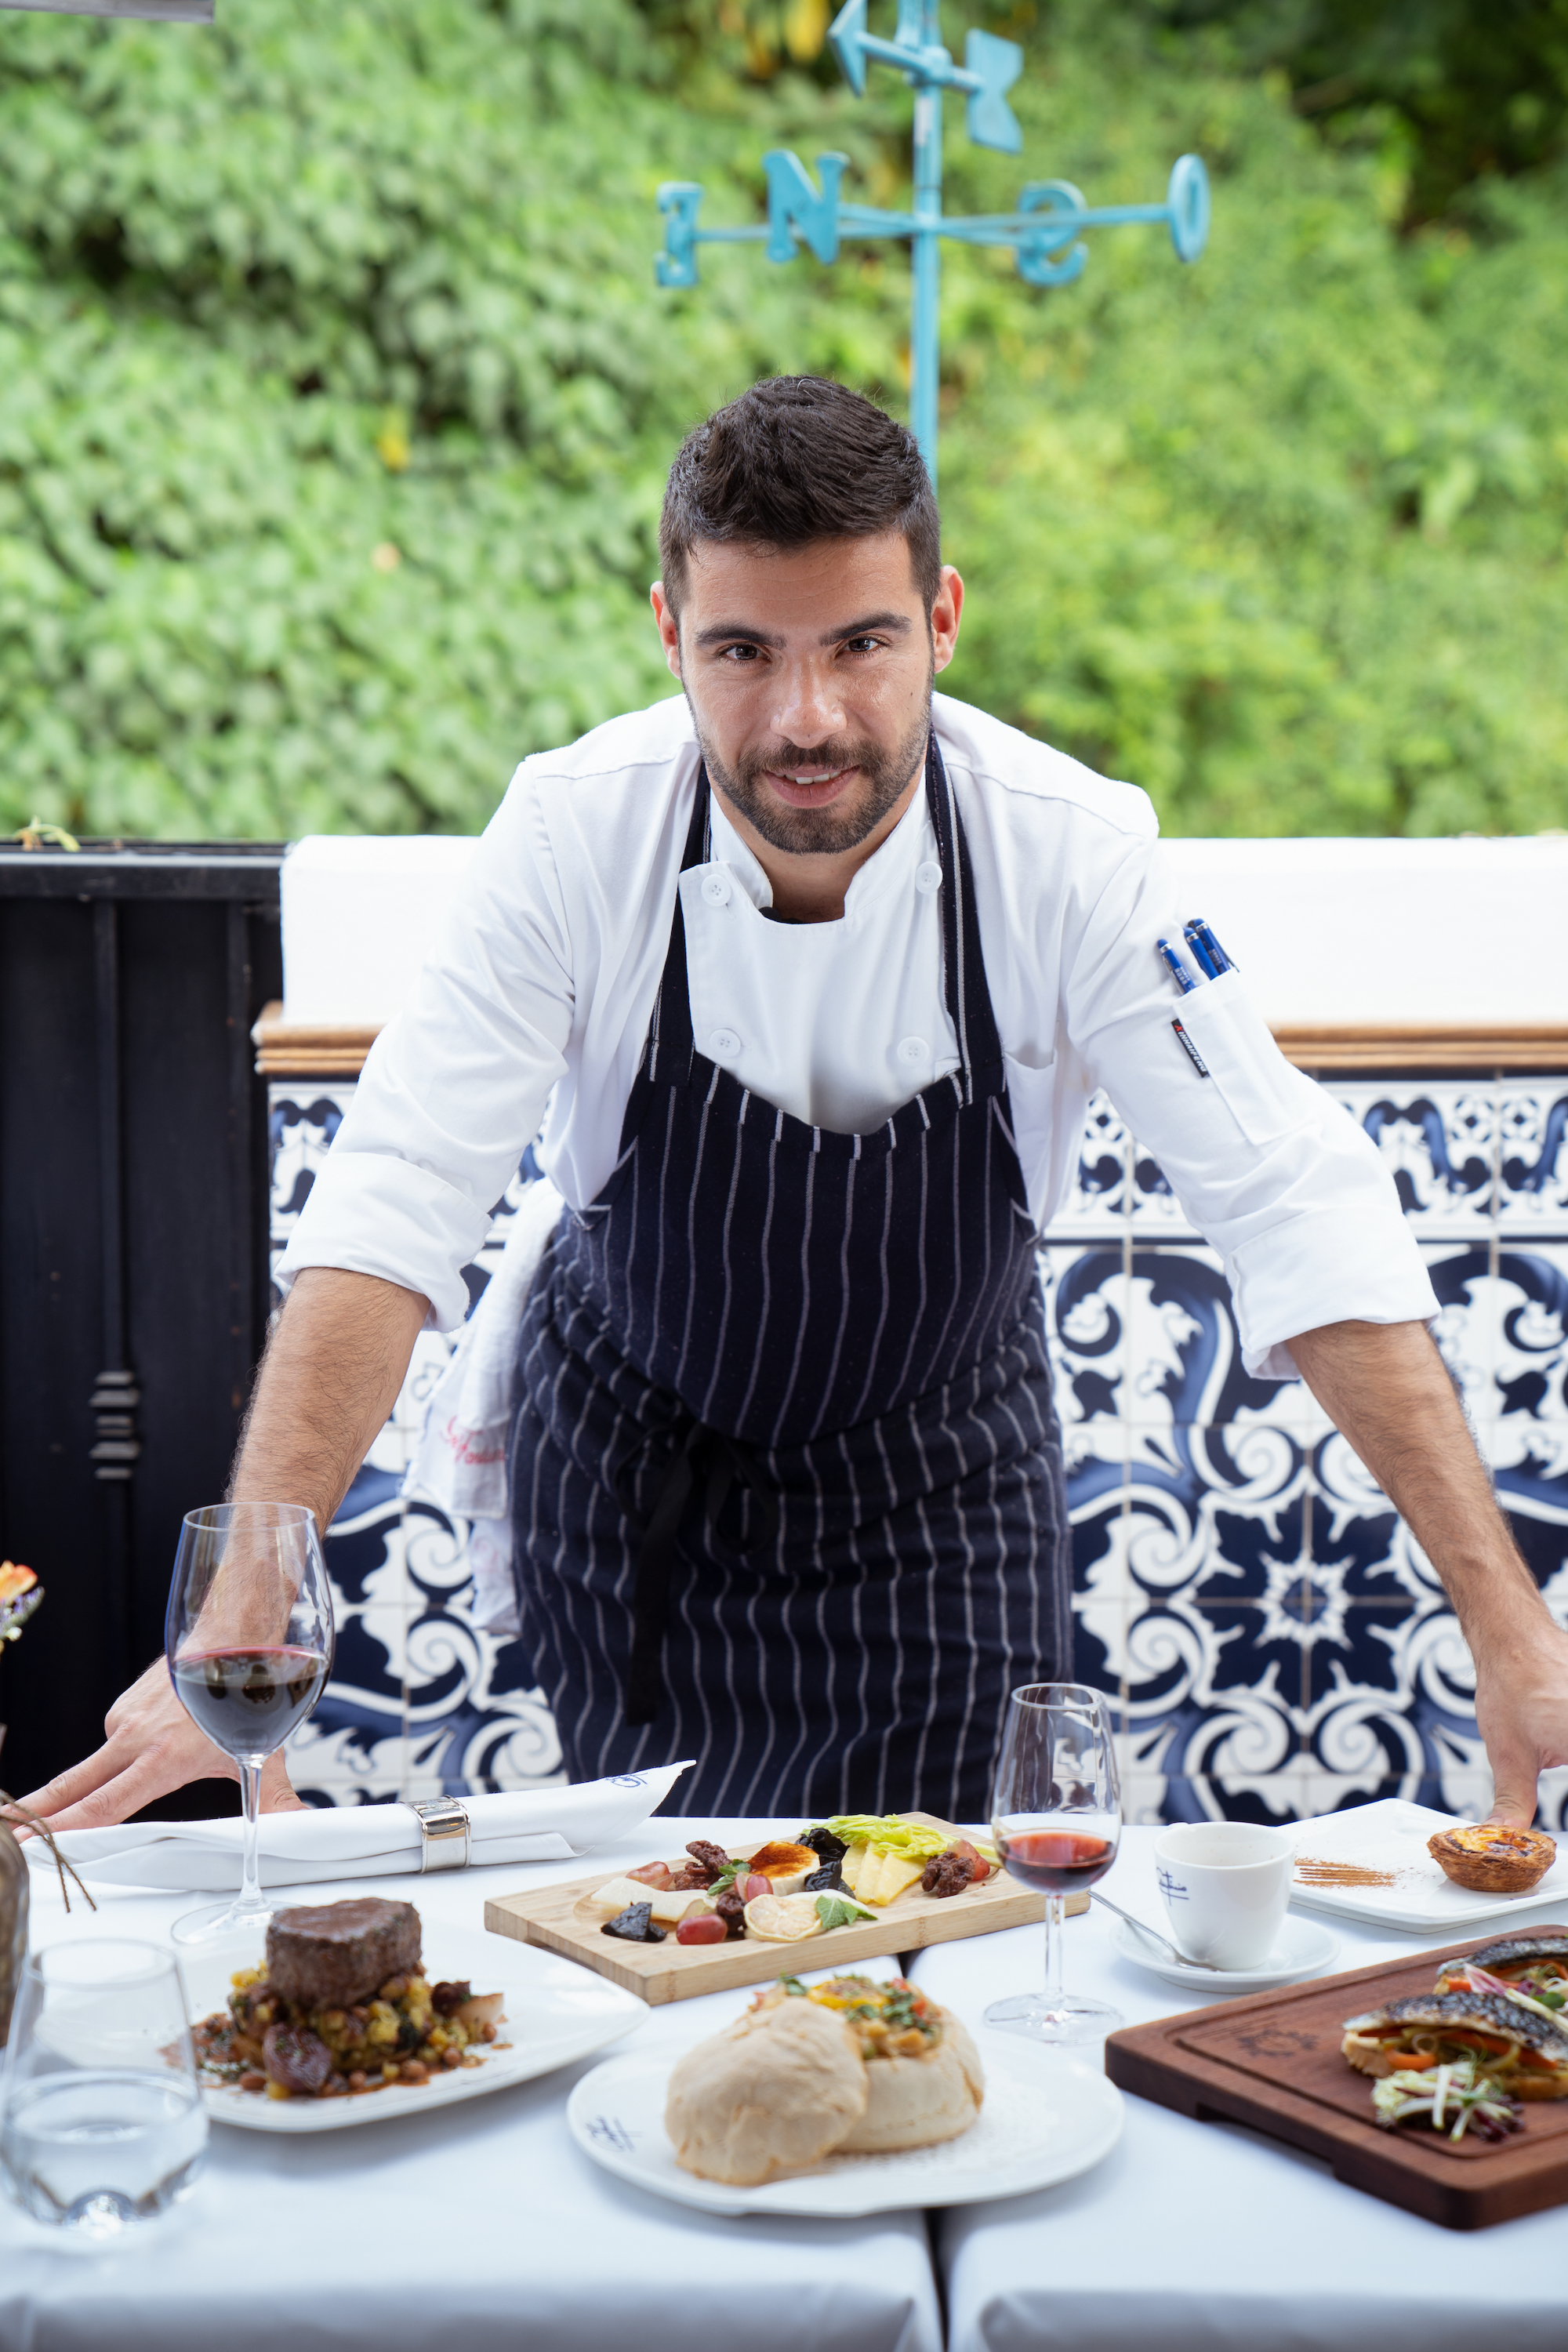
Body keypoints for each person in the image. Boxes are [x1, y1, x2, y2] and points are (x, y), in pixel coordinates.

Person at [24, 376, 1568, 1830]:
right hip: (631, 1486)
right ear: (669, 634)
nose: (806, 717)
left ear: (943, 623)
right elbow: (391, 1213)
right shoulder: (572, 836)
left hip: (942, 1486)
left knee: (942, 1947)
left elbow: (1288, 1202)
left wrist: (1509, 1628)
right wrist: (233, 1634)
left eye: (860, 645)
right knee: (668, 1934)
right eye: (744, 652)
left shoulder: (1069, 853)